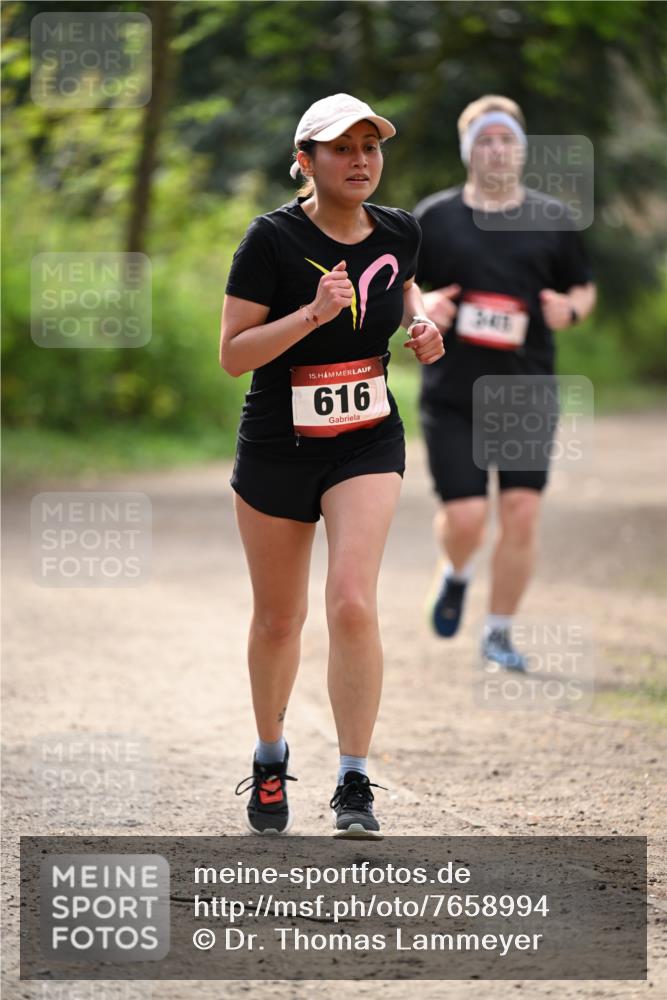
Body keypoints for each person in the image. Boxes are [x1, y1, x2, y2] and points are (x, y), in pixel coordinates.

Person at [220, 94, 443, 839]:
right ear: (304, 161)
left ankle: (353, 780)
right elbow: (233, 355)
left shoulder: (401, 230)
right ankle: (270, 757)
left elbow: (402, 282)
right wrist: (312, 313)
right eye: (340, 148)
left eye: (369, 147)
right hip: (277, 446)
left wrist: (421, 323)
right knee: (279, 620)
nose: (359, 160)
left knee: (352, 599)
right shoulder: (270, 240)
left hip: (366, 439)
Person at [413, 95, 596, 670]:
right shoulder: (435, 217)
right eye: (486, 140)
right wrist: (425, 307)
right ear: (470, 151)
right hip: (453, 393)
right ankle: (457, 571)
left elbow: (582, 287)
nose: (497, 149)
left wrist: (571, 310)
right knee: (467, 518)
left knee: (520, 511)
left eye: (507, 139)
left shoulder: (552, 217)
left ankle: (498, 633)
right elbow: (404, 285)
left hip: (525, 391)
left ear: (521, 149)